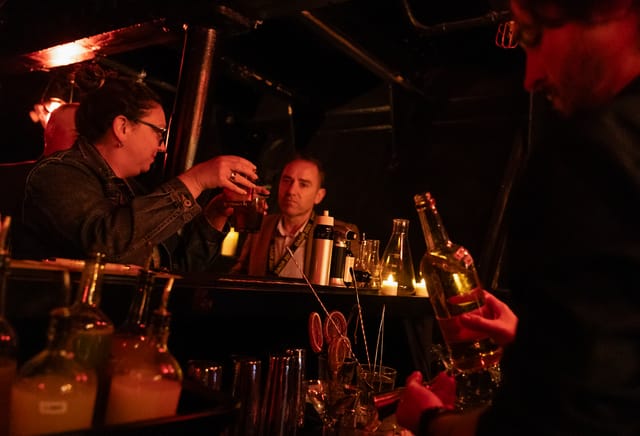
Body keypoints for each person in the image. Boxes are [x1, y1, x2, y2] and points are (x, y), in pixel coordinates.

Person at [395, 0, 640, 434]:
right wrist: (537, 340)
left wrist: (429, 420)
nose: (530, 78)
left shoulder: (594, 153)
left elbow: (561, 424)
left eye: (532, 37)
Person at [17, 76, 262, 272]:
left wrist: (217, 213)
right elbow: (104, 249)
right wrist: (196, 179)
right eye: (159, 132)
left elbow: (177, 268)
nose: (162, 145)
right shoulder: (56, 173)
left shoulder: (133, 190)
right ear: (122, 127)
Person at [231, 155, 356, 278]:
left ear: (319, 195)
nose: (291, 191)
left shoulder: (340, 233)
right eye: (286, 181)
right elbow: (240, 275)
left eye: (303, 184)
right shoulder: (261, 224)